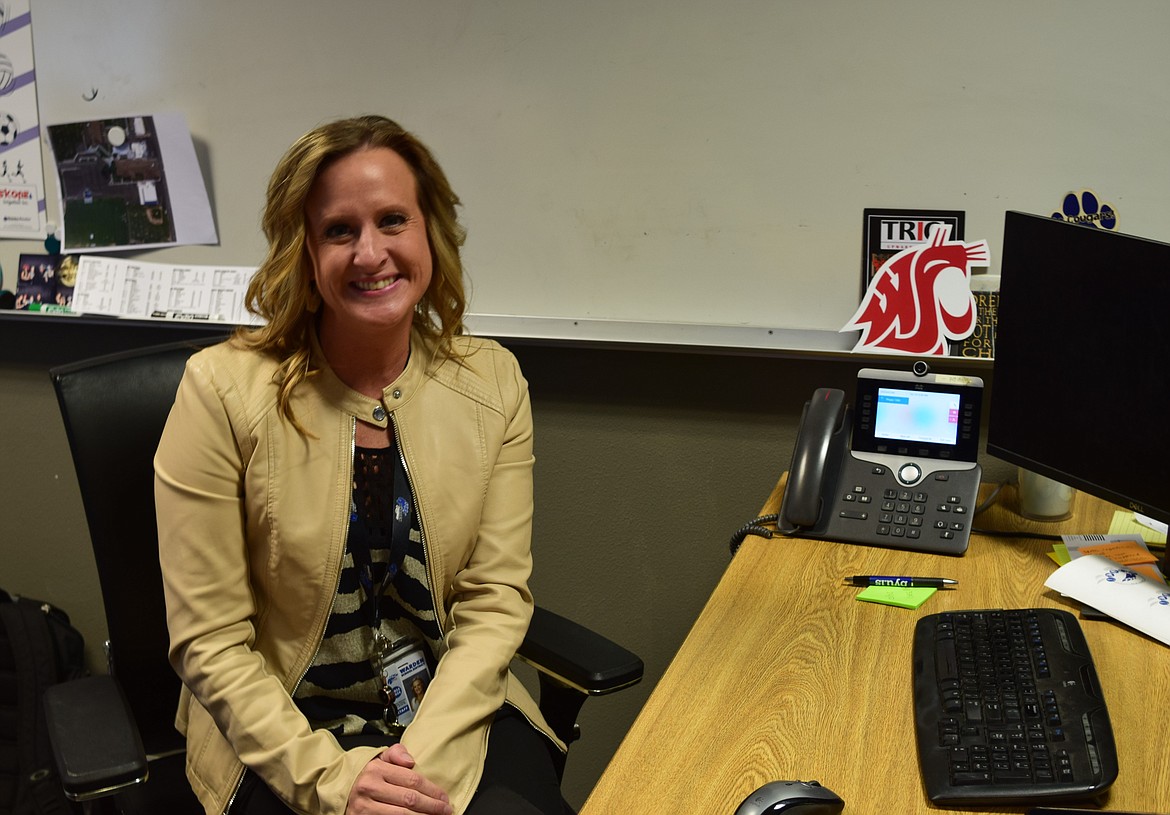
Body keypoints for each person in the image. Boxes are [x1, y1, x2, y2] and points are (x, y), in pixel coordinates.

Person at [155, 115, 567, 815]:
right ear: (305, 252)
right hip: (283, 729)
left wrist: (412, 770)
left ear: (429, 230)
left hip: (450, 714)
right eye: (340, 230)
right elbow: (211, 643)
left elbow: (495, 600)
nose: (371, 252)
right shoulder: (220, 391)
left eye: (393, 220)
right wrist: (339, 783)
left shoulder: (494, 384)